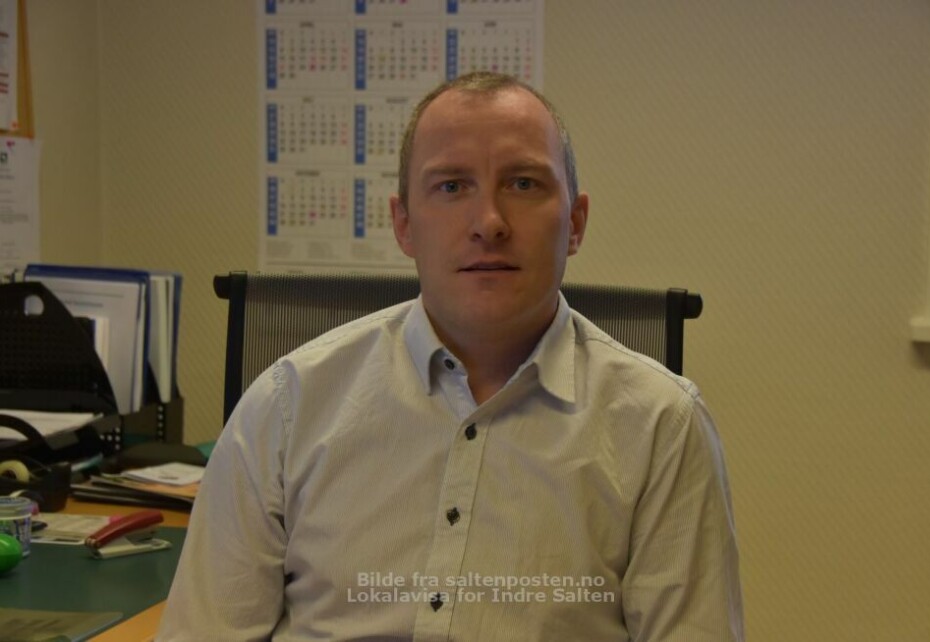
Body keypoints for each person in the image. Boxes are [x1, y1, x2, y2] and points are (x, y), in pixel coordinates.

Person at [158, 71, 744, 641]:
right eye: (451, 186)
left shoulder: (664, 426)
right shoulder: (287, 405)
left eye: (523, 184)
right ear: (404, 225)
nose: (488, 223)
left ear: (575, 223)